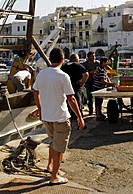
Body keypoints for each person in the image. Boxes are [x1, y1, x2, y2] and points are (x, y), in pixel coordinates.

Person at [33, 48, 85, 185]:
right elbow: (71, 99)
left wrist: (40, 108)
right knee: (59, 147)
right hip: (60, 116)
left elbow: (35, 92)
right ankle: (54, 176)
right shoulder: (62, 76)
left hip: (47, 116)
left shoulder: (41, 74)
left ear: (50, 59)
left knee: (53, 142)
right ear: (62, 60)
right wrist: (79, 117)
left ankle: (50, 166)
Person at [92, 57, 116, 121]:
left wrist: (109, 82)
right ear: (103, 63)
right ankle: (98, 115)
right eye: (107, 62)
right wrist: (111, 84)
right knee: (98, 102)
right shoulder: (101, 70)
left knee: (100, 101)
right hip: (97, 87)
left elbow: (107, 76)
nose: (108, 63)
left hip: (100, 87)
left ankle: (100, 113)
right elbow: (103, 81)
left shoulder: (103, 69)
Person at [82, 51, 99, 115]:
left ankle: (98, 111)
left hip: (96, 81)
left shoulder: (97, 63)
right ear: (88, 57)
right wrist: (90, 72)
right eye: (92, 56)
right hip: (88, 81)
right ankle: (91, 110)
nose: (94, 57)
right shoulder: (85, 64)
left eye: (94, 56)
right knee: (89, 96)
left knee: (98, 96)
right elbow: (83, 73)